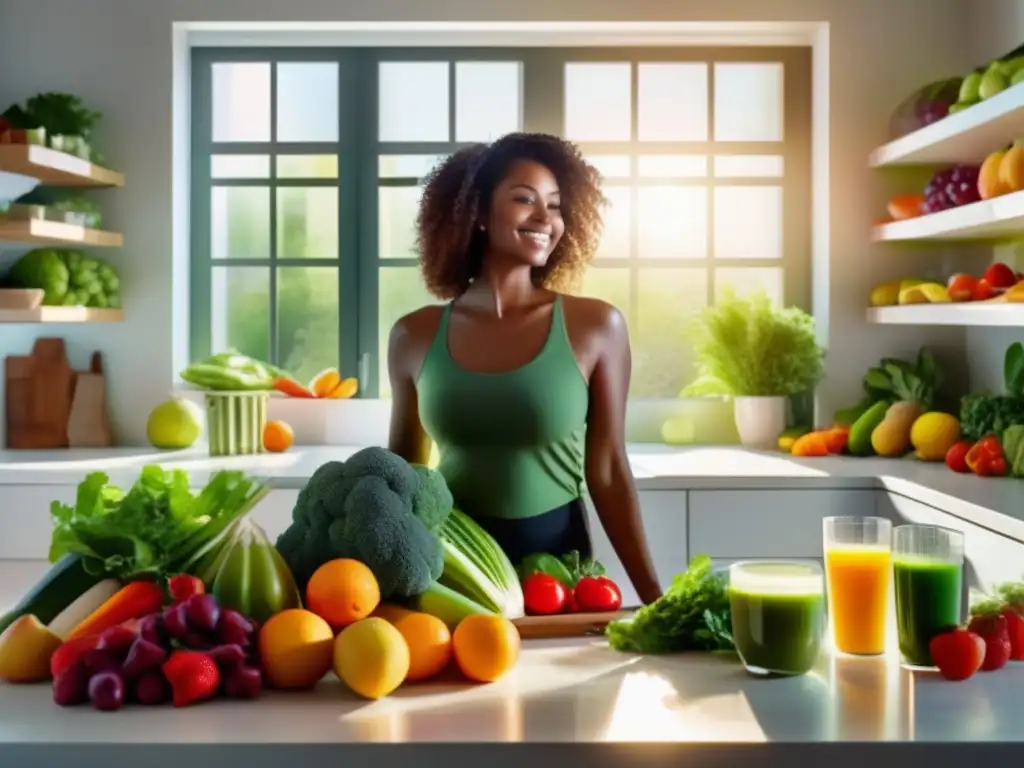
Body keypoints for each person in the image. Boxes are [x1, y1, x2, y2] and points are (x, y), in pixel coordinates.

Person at [386, 132, 662, 606]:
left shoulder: (596, 326)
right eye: (524, 200)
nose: (545, 219)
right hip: (454, 579)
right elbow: (406, 480)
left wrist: (657, 601)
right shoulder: (413, 336)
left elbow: (610, 470)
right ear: (475, 212)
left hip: (559, 576)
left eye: (555, 206)